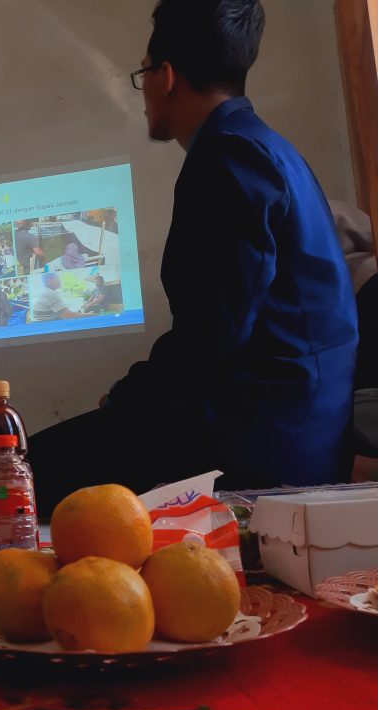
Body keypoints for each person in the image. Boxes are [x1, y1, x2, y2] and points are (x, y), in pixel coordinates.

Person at [27, 0, 357, 511]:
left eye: (142, 74)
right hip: (301, 423)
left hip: (263, 436)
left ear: (166, 77)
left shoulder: (228, 159)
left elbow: (212, 336)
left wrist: (127, 397)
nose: (143, 93)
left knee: (20, 473)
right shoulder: (266, 147)